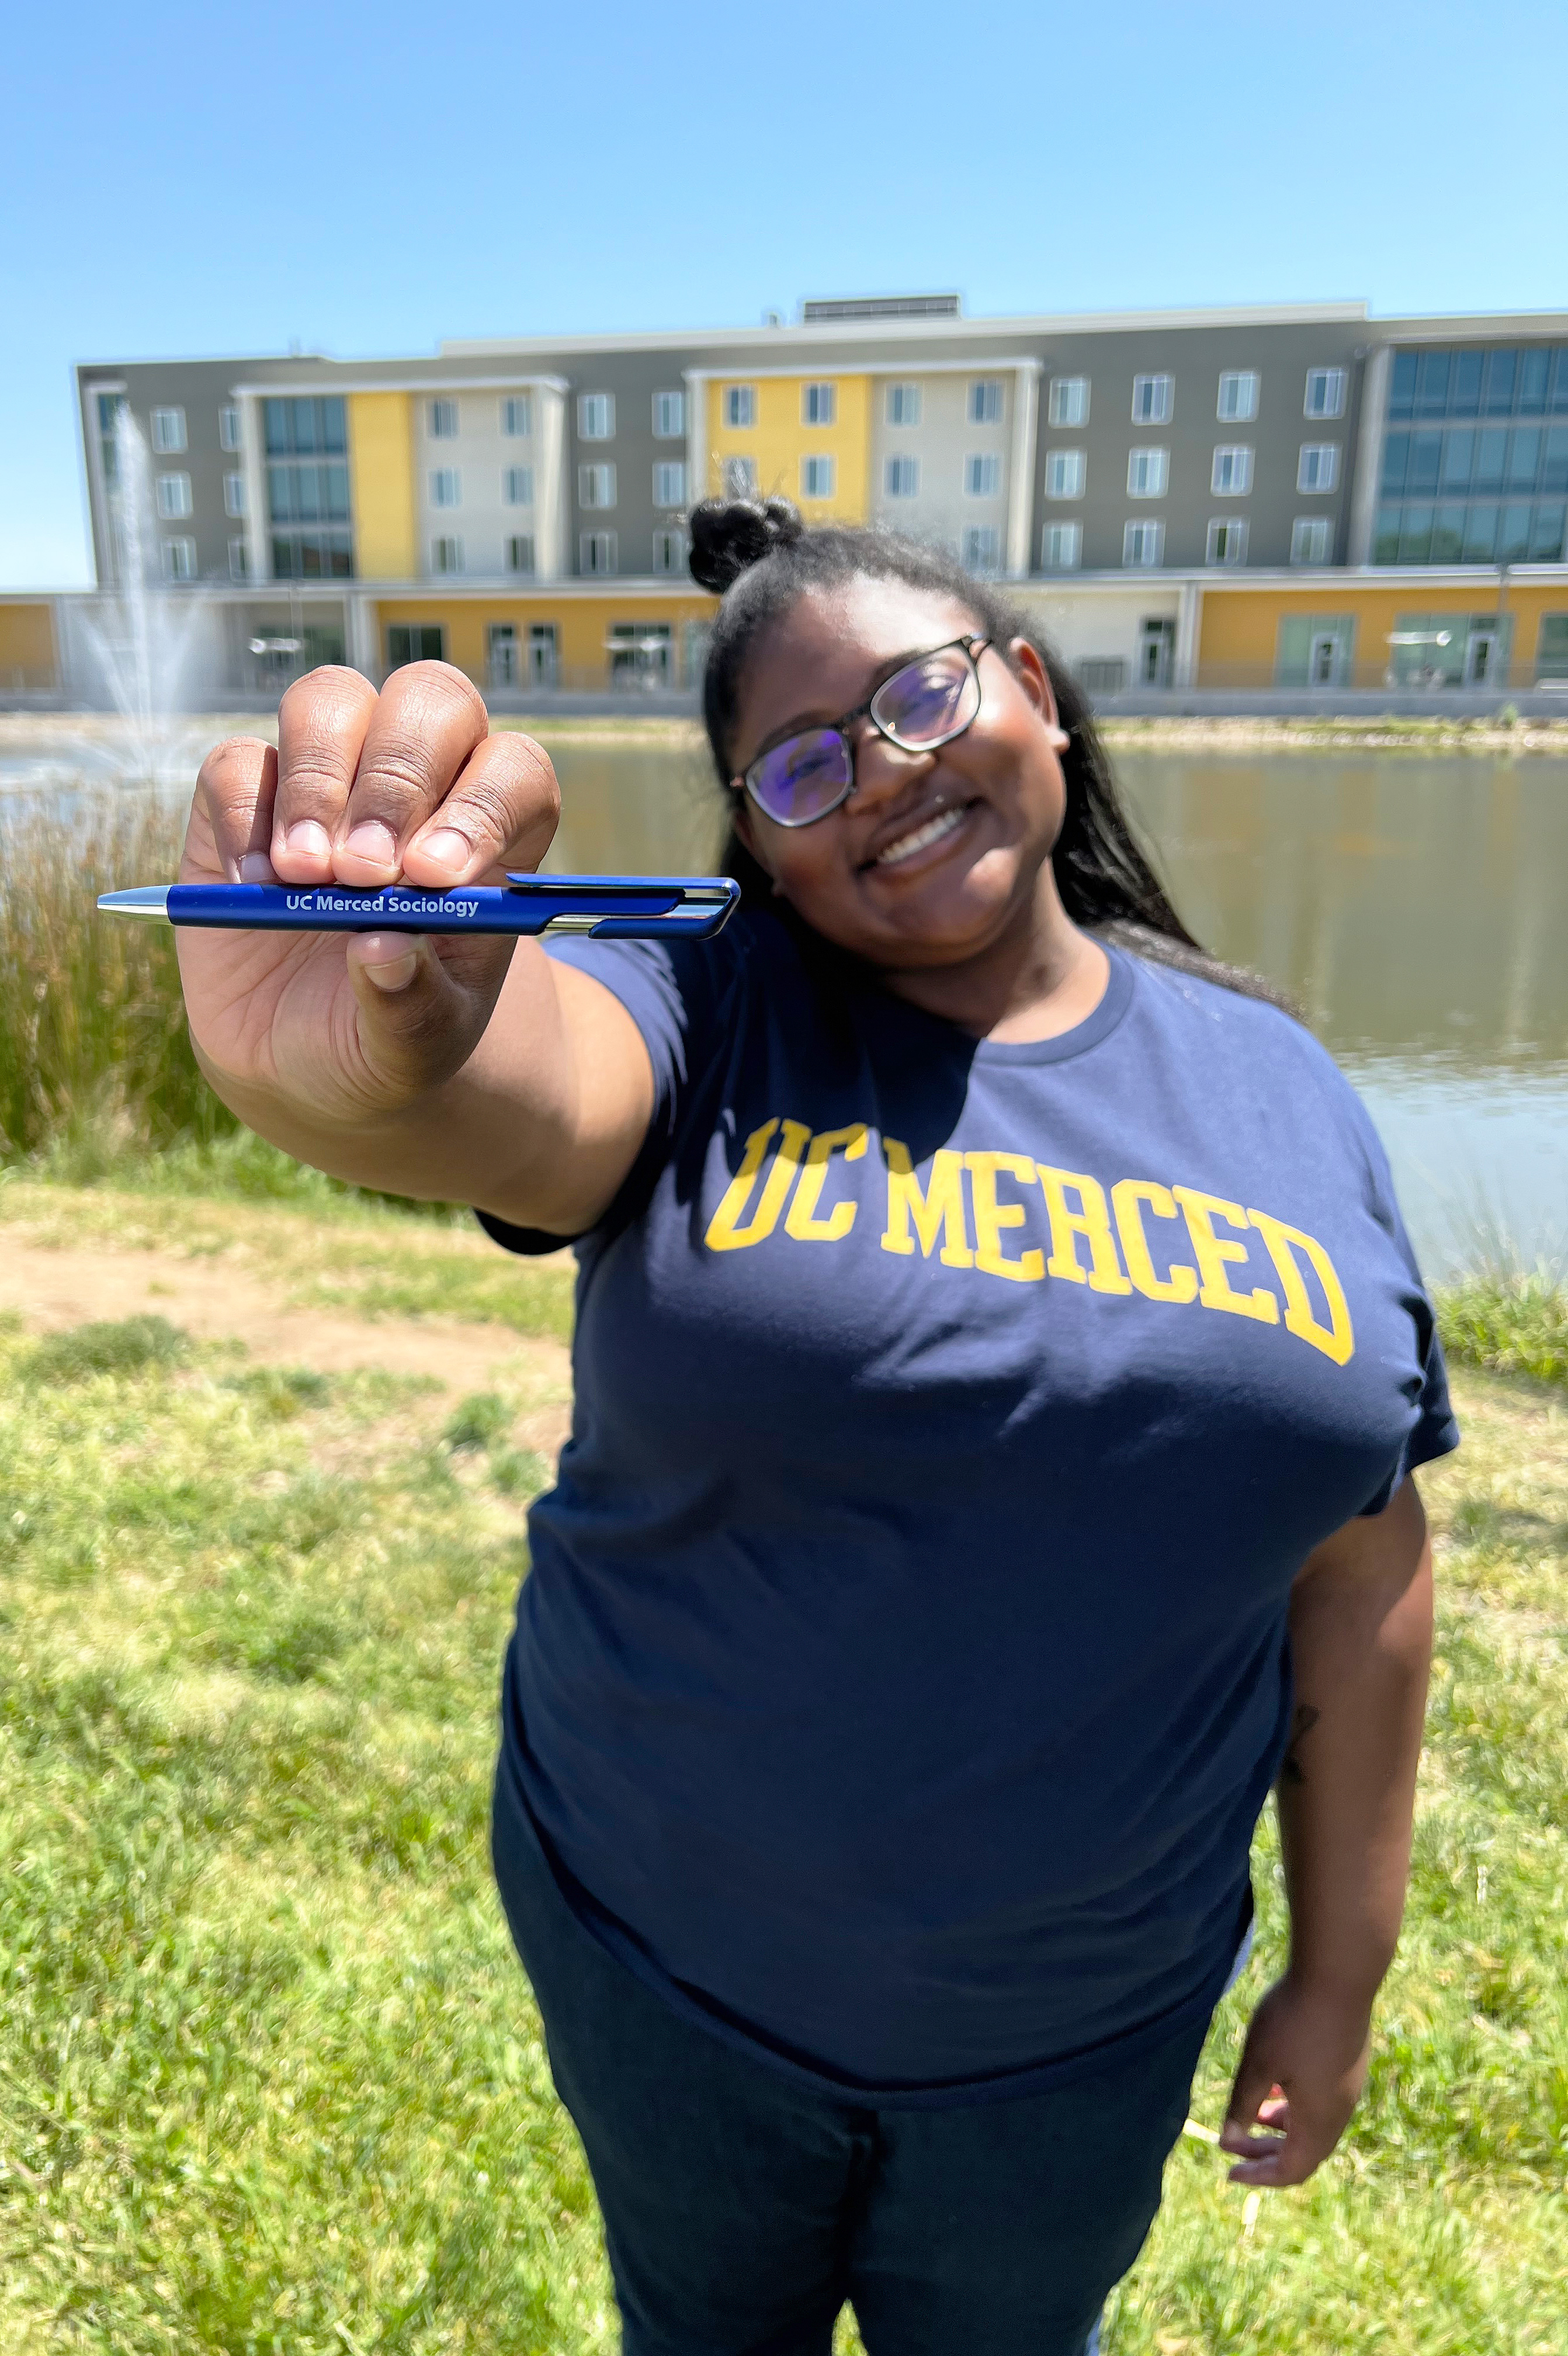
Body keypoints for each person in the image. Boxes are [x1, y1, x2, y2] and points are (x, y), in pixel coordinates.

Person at [177, 499, 1456, 2356]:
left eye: (922, 700)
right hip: (668, 1970)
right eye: (799, 767)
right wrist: (359, 1072)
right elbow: (515, 1092)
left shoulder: (1281, 1085)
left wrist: (1339, 1971)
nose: (879, 776)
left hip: (1081, 2032)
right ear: (755, 849)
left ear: (1030, 690)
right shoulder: (707, 1007)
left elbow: (1364, 1555)